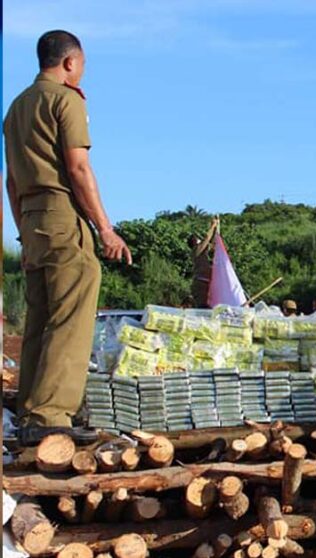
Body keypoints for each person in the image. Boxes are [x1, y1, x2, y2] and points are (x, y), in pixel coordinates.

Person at [5, 30, 132, 445]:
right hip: (63, 215)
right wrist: (105, 228)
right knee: (71, 315)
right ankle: (50, 415)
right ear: (70, 63)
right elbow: (78, 169)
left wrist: (23, 231)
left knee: (40, 319)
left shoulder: (16, 107)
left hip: (32, 218)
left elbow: (10, 182)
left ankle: (30, 411)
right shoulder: (65, 99)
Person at [189, 217, 219, 308]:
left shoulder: (202, 253)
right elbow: (206, 239)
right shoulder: (197, 250)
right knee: (203, 307)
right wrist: (212, 226)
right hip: (200, 283)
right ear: (194, 242)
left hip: (206, 283)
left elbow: (212, 242)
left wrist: (215, 229)